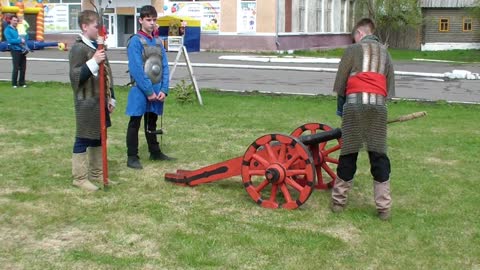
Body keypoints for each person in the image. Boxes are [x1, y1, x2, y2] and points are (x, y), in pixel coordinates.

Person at [330, 18, 395, 220]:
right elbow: (389, 91)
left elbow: (341, 86)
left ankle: (338, 203)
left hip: (355, 107)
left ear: (359, 33)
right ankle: (384, 208)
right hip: (377, 108)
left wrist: (342, 113)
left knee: (349, 153)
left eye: (353, 36)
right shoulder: (386, 53)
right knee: (378, 155)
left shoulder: (352, 50)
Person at [68, 10, 116, 191]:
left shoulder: (97, 46)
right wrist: (94, 61)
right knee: (83, 138)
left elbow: (107, 74)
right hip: (86, 101)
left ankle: (97, 174)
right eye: (97, 26)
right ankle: (79, 178)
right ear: (85, 26)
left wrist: (112, 98)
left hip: (100, 101)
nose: (100, 30)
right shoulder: (79, 49)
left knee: (99, 137)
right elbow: (75, 76)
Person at [126, 5, 174, 170]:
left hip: (157, 88)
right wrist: (148, 91)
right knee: (135, 122)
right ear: (140, 20)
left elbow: (164, 66)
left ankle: (155, 151)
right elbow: (137, 69)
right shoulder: (135, 41)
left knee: (152, 121)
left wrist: (163, 89)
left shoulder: (158, 42)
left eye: (154, 20)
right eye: (148, 20)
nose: (152, 23)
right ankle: (132, 156)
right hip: (140, 89)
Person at [4, 15, 28, 88]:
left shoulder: (17, 29)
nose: (15, 22)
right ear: (10, 21)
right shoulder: (7, 30)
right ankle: (14, 84)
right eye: (14, 20)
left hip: (21, 49)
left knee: (23, 67)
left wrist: (24, 43)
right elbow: (10, 41)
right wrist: (20, 40)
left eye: (16, 21)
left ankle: (22, 83)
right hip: (15, 50)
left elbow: (22, 38)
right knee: (16, 67)